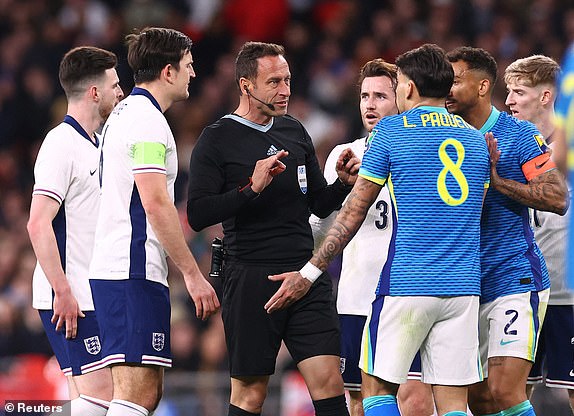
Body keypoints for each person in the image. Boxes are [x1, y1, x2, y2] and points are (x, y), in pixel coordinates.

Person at [266, 43, 490, 416]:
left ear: (410, 88)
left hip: (408, 283)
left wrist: (309, 272)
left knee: (375, 388)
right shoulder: (475, 140)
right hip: (463, 287)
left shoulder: (391, 133)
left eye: (396, 85)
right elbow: (476, 214)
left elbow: (353, 212)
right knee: (453, 402)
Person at [187, 41, 359, 416]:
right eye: (274, 82)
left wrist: (342, 184)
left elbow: (317, 201)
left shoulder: (294, 130)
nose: (285, 90)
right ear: (246, 85)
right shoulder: (217, 139)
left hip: (304, 276)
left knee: (330, 385)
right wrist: (251, 188)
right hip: (251, 278)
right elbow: (197, 213)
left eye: (288, 80)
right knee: (250, 395)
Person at [88, 27, 220, 416]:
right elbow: (156, 202)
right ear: (168, 71)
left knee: (143, 393)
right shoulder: (146, 120)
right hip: (129, 270)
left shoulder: (125, 113)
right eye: (188, 66)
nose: (193, 74)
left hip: (124, 268)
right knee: (136, 395)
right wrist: (193, 275)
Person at [445, 46, 568, 416]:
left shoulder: (518, 136)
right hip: (467, 284)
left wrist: (497, 182)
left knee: (505, 390)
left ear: (482, 87)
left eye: (454, 81)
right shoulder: (443, 137)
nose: (446, 89)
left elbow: (557, 196)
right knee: (479, 397)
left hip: (514, 278)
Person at [309, 58, 434, 416]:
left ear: (402, 97)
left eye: (381, 95)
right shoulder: (344, 155)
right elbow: (319, 228)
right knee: (359, 401)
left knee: (413, 400)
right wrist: (337, 188)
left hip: (407, 296)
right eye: (365, 96)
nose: (370, 104)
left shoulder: (422, 152)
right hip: (356, 297)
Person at [27, 46, 124, 415]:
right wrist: (62, 291)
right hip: (72, 298)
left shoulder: (99, 143)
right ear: (94, 92)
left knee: (86, 399)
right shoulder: (60, 144)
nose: (121, 92)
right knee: (105, 397)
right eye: (115, 85)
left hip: (92, 291)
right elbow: (37, 223)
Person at [504, 54, 574, 412]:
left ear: (546, 97)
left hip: (568, 291)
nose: (509, 101)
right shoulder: (503, 145)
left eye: (519, 92)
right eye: (509, 92)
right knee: (507, 391)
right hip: (521, 289)